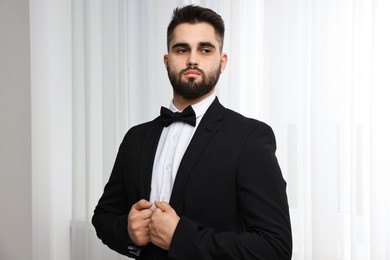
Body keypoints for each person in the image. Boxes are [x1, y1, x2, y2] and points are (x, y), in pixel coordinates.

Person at [92, 5, 292, 260]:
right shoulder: (135, 138)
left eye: (205, 49)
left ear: (222, 61)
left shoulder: (250, 137)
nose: (192, 59)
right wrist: (127, 232)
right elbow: (104, 218)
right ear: (167, 61)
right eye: (182, 49)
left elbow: (274, 248)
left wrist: (180, 237)